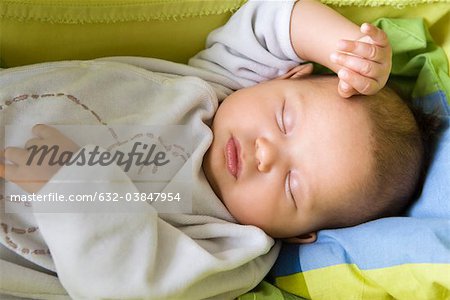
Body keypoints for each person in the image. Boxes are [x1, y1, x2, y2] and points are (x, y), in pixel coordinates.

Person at [0, 0, 425, 299]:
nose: (265, 155)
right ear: (286, 78)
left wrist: (72, 182)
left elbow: (130, 285)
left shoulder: (231, 248)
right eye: (283, 120)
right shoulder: (221, 83)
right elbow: (271, 21)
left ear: (298, 234)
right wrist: (349, 49)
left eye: (293, 186)